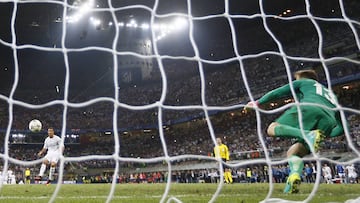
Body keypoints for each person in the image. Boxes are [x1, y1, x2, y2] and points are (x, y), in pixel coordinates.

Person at [245, 69, 345, 193]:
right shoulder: (331, 95)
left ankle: (308, 135)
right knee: (294, 153)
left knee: (271, 128)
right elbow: (342, 127)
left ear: (303, 77)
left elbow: (279, 92)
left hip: (309, 107)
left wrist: (258, 103)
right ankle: (293, 179)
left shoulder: (306, 82)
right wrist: (328, 134)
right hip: (329, 121)